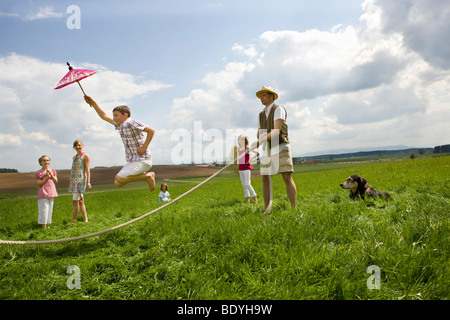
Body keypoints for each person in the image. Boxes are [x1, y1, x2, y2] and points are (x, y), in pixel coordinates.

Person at [84, 96, 156, 193]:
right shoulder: (120, 125)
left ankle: (148, 176)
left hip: (143, 160)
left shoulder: (131, 122)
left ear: (125, 115)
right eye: (113, 115)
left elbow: (151, 131)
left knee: (120, 178)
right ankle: (146, 176)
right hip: (133, 160)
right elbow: (104, 116)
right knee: (117, 183)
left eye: (116, 115)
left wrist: (144, 147)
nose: (114, 118)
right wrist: (93, 103)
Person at [253, 86, 297, 211]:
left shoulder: (279, 109)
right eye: (260, 96)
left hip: (281, 147)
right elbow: (259, 133)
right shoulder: (261, 115)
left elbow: (276, 131)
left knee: (286, 177)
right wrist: (257, 140)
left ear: (271, 96)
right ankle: (266, 209)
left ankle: (294, 209)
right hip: (267, 150)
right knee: (265, 178)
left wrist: (260, 140)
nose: (261, 98)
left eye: (264, 95)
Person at [68, 139, 91, 222]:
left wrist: (88, 182)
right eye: (76, 145)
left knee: (75, 201)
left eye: (79, 145)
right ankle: (85, 219)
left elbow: (87, 169)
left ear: (83, 145)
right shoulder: (74, 157)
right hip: (74, 180)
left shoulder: (85, 156)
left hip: (81, 180)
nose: (78, 147)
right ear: (74, 147)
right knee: (81, 201)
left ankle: (73, 220)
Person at [36, 155, 58, 229]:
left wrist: (51, 174)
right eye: (44, 160)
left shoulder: (53, 171)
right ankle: (43, 226)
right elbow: (39, 183)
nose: (46, 162)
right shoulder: (39, 172)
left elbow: (56, 181)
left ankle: (48, 224)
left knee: (50, 210)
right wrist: (46, 177)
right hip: (43, 193)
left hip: (51, 193)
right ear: (41, 163)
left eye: (48, 160)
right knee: (44, 209)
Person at [237, 134, 258, 203]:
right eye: (239, 139)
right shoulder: (239, 149)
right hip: (240, 168)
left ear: (245, 140)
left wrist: (250, 160)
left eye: (242, 139)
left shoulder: (247, 148)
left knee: (247, 183)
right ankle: (247, 198)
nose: (240, 141)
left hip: (246, 168)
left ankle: (254, 197)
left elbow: (257, 153)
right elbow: (240, 158)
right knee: (243, 185)